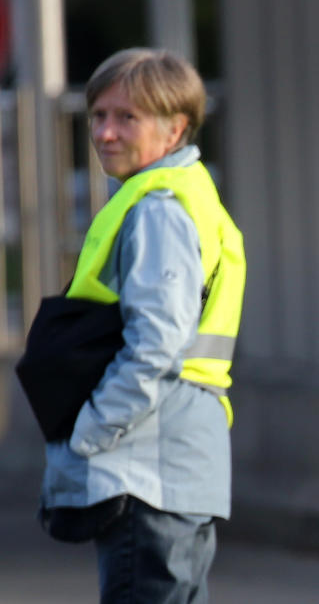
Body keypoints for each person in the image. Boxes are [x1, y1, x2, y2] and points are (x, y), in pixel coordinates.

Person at [37, 48, 246, 602]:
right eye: (98, 116)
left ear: (175, 127)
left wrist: (92, 432)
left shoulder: (157, 209)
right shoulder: (186, 194)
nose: (105, 133)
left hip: (147, 470)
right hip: (177, 462)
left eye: (127, 117)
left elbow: (156, 344)